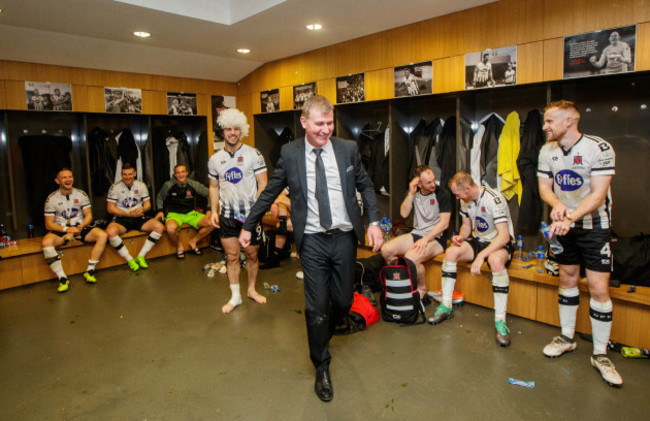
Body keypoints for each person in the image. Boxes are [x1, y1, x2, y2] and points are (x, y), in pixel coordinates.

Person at [238, 95, 383, 402]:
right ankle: (322, 363)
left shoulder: (348, 149)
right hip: (313, 240)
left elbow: (366, 185)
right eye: (319, 124)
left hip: (344, 237)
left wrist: (374, 222)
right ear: (304, 122)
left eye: (330, 123)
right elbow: (271, 191)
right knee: (316, 306)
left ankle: (325, 330)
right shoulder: (290, 154)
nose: (326, 129)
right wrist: (249, 224)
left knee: (342, 301)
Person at [537, 100, 622, 386]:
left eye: (549, 121)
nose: (544, 126)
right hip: (565, 225)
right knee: (567, 278)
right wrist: (557, 205)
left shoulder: (599, 148)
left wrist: (570, 216)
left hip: (594, 227)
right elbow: (544, 189)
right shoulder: (547, 150)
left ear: (569, 122)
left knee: (599, 288)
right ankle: (567, 337)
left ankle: (600, 354)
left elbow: (598, 195)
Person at [428, 171, 515, 348]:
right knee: (451, 252)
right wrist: (461, 236)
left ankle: (500, 322)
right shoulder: (465, 200)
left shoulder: (494, 199)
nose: (456, 197)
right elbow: (467, 226)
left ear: (468, 188)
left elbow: (504, 236)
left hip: (499, 244)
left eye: (458, 193)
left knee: (495, 261)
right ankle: (446, 306)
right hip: (479, 241)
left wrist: (482, 256)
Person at [208, 108, 268, 314]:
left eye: (236, 129)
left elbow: (263, 185)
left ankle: (251, 289)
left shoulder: (254, 154)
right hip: (227, 216)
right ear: (222, 132)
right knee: (232, 257)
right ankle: (235, 296)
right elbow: (213, 186)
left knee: (251, 255)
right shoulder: (215, 159)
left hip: (250, 217)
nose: (232, 133)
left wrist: (257, 214)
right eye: (228, 129)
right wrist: (213, 210)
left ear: (241, 130)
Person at [380, 165, 451, 299]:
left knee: (411, 258)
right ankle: (401, 282)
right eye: (428, 183)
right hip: (416, 233)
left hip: (436, 238)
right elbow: (404, 213)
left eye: (433, 180)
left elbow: (444, 224)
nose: (433, 184)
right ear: (419, 184)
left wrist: (426, 239)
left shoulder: (442, 194)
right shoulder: (414, 193)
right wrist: (411, 193)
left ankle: (421, 288)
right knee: (386, 250)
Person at [42, 168, 108, 293]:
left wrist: (81, 226)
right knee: (46, 243)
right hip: (61, 229)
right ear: (57, 181)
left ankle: (90, 271)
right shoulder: (51, 199)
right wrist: (67, 230)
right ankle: (62, 278)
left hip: (79, 227)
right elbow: (48, 224)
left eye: (70, 177)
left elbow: (88, 215)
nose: (68, 180)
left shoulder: (81, 194)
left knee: (102, 235)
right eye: (64, 177)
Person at [105, 163, 164, 271]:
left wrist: (143, 209)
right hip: (122, 218)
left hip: (138, 217)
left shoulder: (141, 185)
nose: (127, 177)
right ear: (121, 175)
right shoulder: (115, 187)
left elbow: (148, 205)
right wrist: (127, 214)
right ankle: (129, 259)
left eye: (130, 174)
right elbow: (110, 208)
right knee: (110, 232)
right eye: (125, 174)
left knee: (159, 227)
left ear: (135, 174)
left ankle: (141, 256)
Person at [156, 164, 213, 259]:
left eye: (183, 172)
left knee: (212, 223)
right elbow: (159, 197)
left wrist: (209, 209)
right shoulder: (168, 185)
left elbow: (209, 193)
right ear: (174, 175)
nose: (180, 175)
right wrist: (160, 210)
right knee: (170, 228)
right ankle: (179, 246)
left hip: (190, 213)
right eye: (178, 172)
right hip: (174, 214)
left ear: (187, 173)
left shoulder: (194, 184)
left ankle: (193, 241)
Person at [259, 187, 293, 270]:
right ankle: (275, 258)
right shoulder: (292, 180)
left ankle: (283, 224)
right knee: (280, 225)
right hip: (295, 211)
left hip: (307, 211)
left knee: (281, 200)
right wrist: (274, 204)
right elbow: (280, 193)